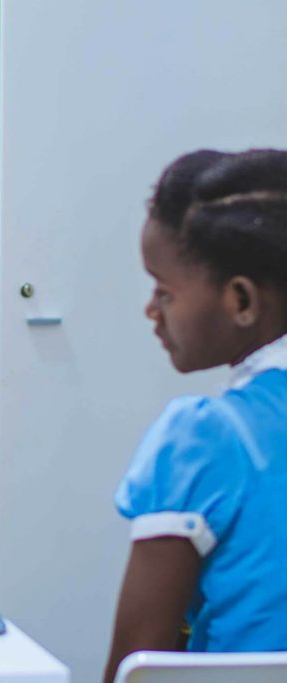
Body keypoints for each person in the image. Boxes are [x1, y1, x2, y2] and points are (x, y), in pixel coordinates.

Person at [103, 149, 287, 682]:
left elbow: (138, 665)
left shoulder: (203, 439)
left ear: (242, 300)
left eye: (164, 290)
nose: (151, 309)